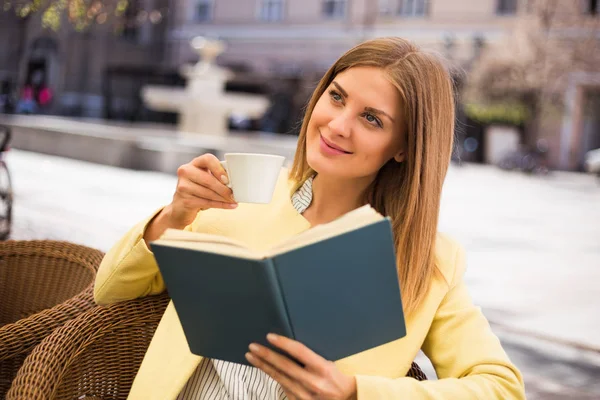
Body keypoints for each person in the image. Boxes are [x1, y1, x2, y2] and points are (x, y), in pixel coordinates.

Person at [95, 37, 525, 399]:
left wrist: (356, 390)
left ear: (405, 147)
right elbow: (109, 290)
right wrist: (174, 215)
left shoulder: (427, 259)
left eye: (371, 119)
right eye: (336, 96)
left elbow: (501, 388)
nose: (337, 125)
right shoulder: (236, 195)